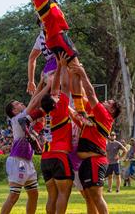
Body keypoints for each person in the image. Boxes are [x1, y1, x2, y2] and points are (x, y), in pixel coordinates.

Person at [29, 0, 88, 121]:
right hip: (57, 36)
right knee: (78, 70)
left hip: (54, 37)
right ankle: (80, 110)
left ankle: (78, 108)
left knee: (72, 72)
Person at [72, 64, 121, 214]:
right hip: (87, 162)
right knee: (89, 198)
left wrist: (82, 72)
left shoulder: (105, 116)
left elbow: (91, 94)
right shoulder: (95, 113)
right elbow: (79, 93)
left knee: (97, 197)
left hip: (95, 161)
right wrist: (74, 74)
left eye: (108, 102)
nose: (104, 102)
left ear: (111, 110)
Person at [0, 78, 51, 214]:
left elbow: (34, 101)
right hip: (18, 161)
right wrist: (48, 85)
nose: (21, 103)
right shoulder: (17, 119)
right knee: (14, 196)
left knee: (34, 194)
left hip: (26, 161)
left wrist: (40, 83)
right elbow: (34, 102)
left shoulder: (25, 119)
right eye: (17, 103)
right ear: (14, 111)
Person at [38, 53, 74, 214]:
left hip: (45, 157)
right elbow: (65, 86)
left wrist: (59, 67)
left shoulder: (47, 112)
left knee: (51, 196)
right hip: (59, 156)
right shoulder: (60, 108)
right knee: (63, 194)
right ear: (54, 101)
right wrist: (62, 66)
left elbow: (55, 88)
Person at [27, 24, 57, 95]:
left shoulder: (39, 38)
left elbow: (31, 58)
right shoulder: (55, 32)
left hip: (47, 71)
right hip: (58, 65)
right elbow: (32, 58)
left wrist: (31, 80)